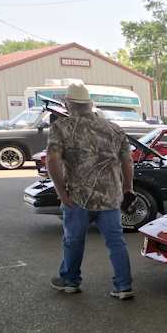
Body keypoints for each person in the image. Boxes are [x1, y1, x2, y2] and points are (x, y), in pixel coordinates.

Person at [45, 82, 135, 300]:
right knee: (116, 241)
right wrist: (127, 188)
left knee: (73, 239)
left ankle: (70, 281)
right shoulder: (113, 128)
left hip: (77, 197)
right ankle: (124, 286)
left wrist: (61, 192)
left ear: (68, 104)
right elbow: (128, 161)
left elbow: (52, 160)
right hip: (110, 197)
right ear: (90, 104)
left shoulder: (62, 127)